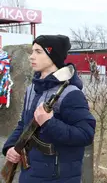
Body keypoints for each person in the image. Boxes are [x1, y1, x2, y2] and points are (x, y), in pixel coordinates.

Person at [2, 35, 96, 183]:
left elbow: (85, 134)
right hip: (30, 173)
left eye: (38, 52)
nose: (31, 57)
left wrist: (49, 123)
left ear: (53, 56)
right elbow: (23, 124)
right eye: (32, 51)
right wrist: (11, 147)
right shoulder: (32, 89)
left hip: (57, 177)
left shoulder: (71, 94)